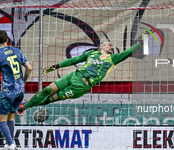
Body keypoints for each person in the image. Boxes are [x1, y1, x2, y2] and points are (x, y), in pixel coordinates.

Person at [18, 34, 146, 113]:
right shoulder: (91, 53)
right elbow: (73, 60)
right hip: (74, 76)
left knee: (50, 99)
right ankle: (23, 107)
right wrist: (55, 66)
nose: (112, 47)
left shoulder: (113, 59)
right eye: (109, 45)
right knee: (47, 90)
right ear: (102, 47)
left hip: (80, 86)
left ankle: (26, 105)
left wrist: (140, 43)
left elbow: (129, 52)